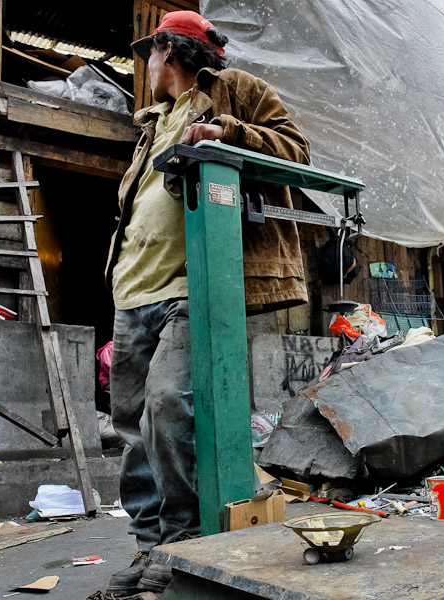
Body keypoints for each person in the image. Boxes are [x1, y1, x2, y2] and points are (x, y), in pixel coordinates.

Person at [103, 11, 310, 596]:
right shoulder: (152, 125)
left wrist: (229, 133)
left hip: (195, 285)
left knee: (170, 405)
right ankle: (150, 548)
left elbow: (296, 147)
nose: (146, 67)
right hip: (132, 290)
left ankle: (184, 540)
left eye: (150, 54)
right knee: (131, 425)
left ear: (168, 51)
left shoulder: (236, 92)